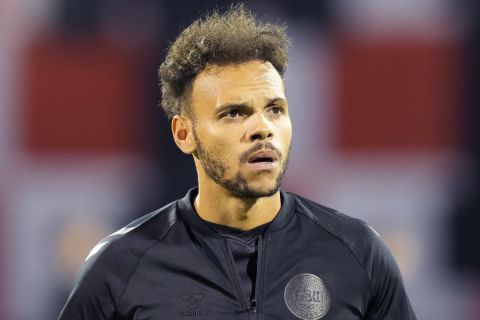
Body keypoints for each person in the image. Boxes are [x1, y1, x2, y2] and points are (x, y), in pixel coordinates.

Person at [58, 5, 416, 320]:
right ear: (184, 134)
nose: (262, 129)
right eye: (233, 113)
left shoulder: (358, 254)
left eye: (275, 109)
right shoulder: (120, 267)